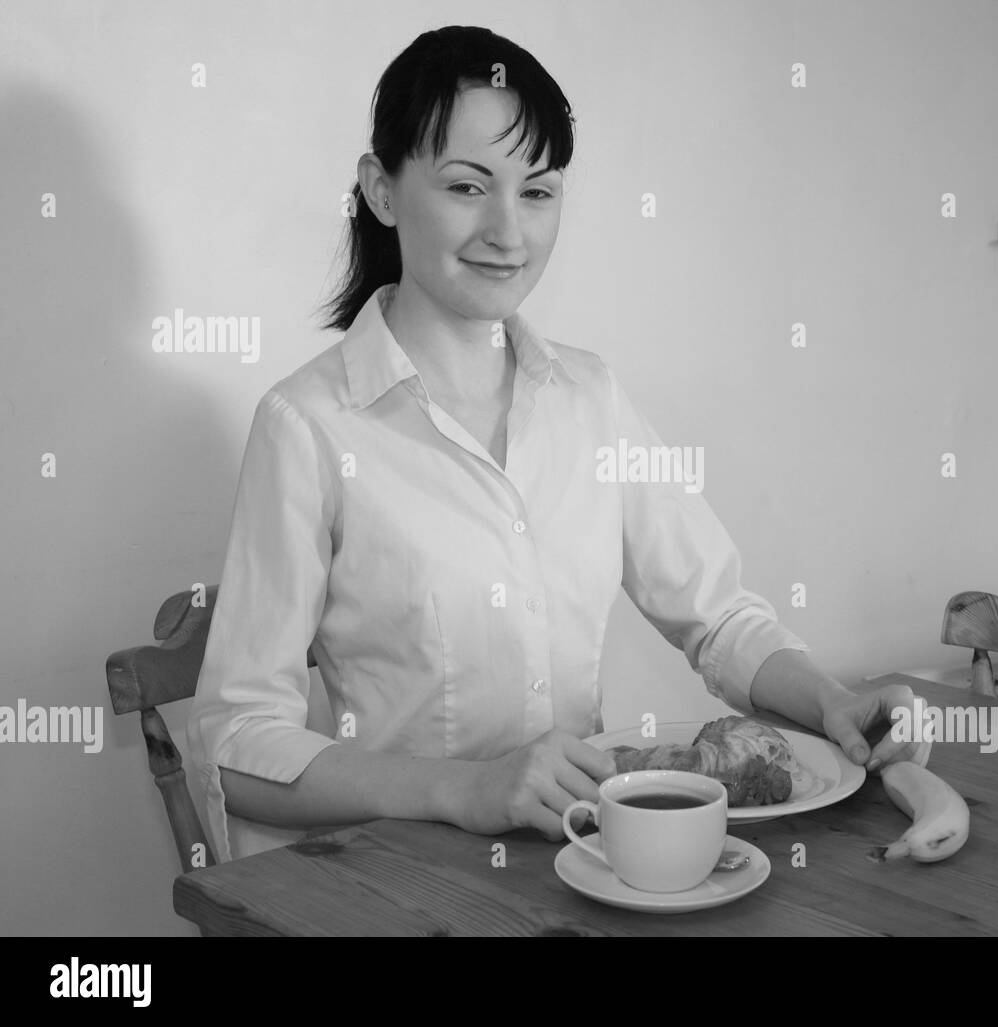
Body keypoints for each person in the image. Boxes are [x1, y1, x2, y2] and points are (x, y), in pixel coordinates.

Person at [187, 25, 921, 865]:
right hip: (407, 879)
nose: (509, 230)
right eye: (468, 186)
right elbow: (237, 742)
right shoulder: (308, 423)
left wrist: (830, 700)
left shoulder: (588, 396)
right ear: (381, 191)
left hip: (587, 864)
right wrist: (461, 787)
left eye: (538, 192)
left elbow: (716, 616)